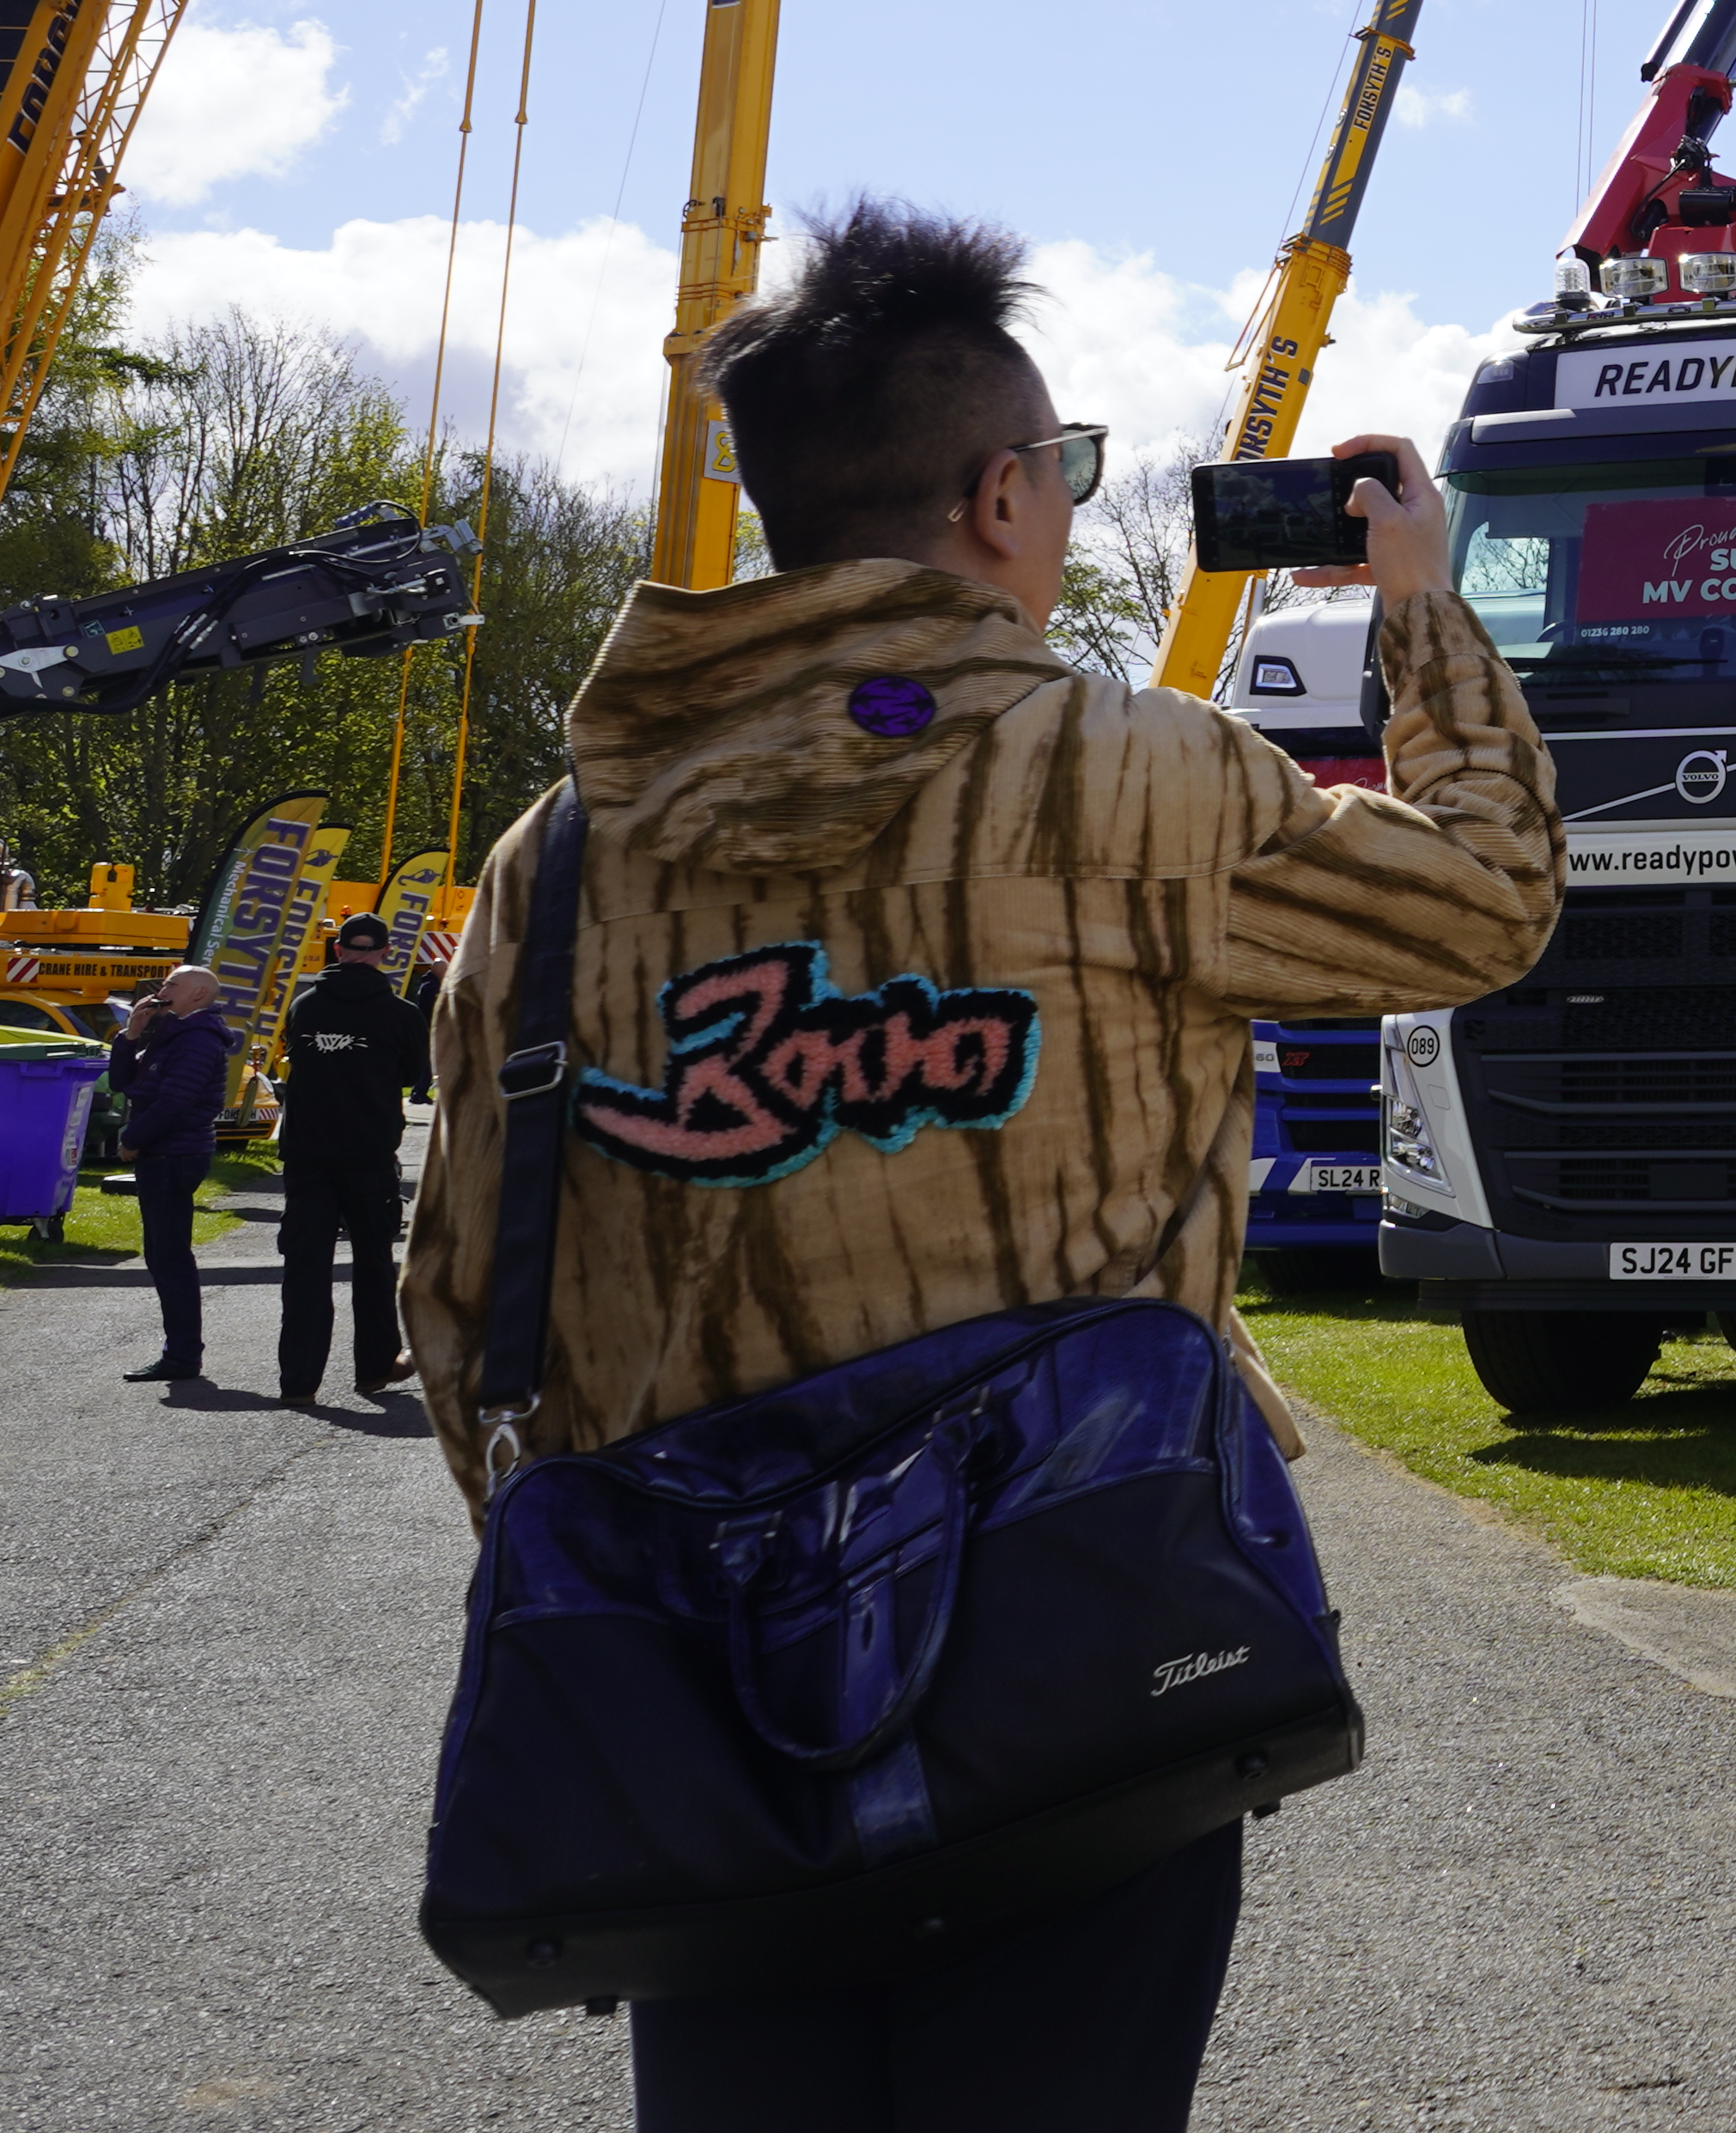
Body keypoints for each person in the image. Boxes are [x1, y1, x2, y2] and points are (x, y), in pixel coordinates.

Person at [396, 201, 1562, 2133]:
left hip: (696, 1697)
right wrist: (1416, 606)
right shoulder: (1133, 777)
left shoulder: (559, 854)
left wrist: (672, 1595)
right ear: (1004, 494)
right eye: (1067, 473)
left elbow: (458, 1299)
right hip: (1082, 1643)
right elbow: (1493, 904)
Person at [275, 915, 421, 1406]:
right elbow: (416, 1075)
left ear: (337, 950)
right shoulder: (401, 1014)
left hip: (308, 1154)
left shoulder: (305, 1005)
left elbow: (293, 1056)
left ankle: (298, 1380)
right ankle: (377, 1365)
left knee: (305, 1266)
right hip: (369, 1152)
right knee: (374, 1263)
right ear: (383, 953)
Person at [106, 965, 245, 1385]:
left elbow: (175, 1102)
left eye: (172, 985)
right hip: (164, 1153)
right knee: (164, 1255)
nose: (161, 990)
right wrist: (131, 1035)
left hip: (174, 1155)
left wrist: (133, 1139)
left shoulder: (199, 1039)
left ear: (198, 994)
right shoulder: (172, 1031)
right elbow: (122, 1082)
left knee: (170, 1258)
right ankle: (181, 1352)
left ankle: (183, 1355)